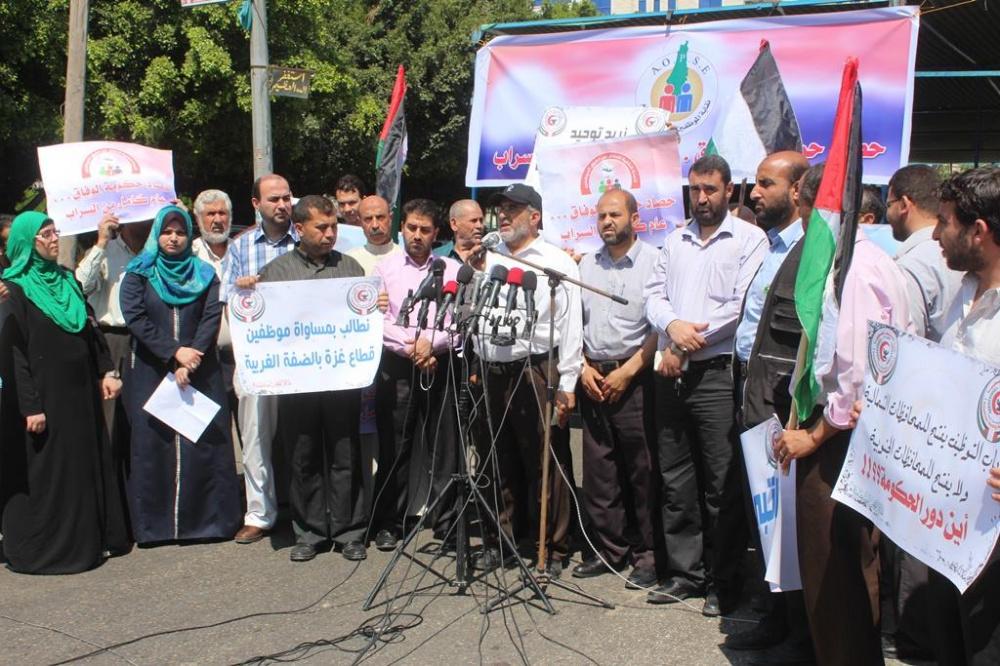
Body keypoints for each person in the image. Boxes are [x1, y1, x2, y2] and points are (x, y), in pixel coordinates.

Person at [774, 170, 912, 665]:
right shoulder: (867, 261)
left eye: (807, 214)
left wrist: (813, 436)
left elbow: (854, 375)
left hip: (840, 440)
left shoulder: (852, 270)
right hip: (856, 434)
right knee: (849, 569)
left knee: (833, 574)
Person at [643, 154, 767, 614]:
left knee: (720, 483)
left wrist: (684, 342)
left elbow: (741, 307)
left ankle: (724, 581)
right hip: (671, 376)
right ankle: (685, 574)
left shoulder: (750, 240)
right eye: (695, 189)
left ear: (729, 191)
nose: (701, 198)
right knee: (676, 478)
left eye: (710, 189)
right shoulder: (674, 240)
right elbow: (653, 296)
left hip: (715, 373)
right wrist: (672, 325)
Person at [0, 211, 129, 573]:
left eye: (55, 232)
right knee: (53, 470)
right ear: (27, 243)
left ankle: (90, 540)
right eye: (45, 235)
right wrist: (31, 406)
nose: (54, 239)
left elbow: (89, 326)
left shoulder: (66, 279)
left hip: (80, 392)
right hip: (45, 397)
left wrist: (106, 370)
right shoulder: (14, 289)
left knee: (83, 464)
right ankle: (54, 549)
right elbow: (14, 356)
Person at [244, 195, 370, 562]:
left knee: (345, 455)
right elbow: (258, 320)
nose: (330, 234)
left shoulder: (350, 268)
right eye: (321, 227)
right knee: (303, 457)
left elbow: (361, 316)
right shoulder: (276, 273)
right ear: (299, 229)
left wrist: (372, 307)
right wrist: (246, 294)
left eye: (333, 227)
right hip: (296, 383)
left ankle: (349, 532)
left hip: (341, 380)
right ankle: (309, 532)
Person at [727, 152, 814, 664]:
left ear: (798, 190)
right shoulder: (772, 246)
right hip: (752, 397)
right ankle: (775, 618)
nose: (754, 193)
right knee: (767, 523)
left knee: (790, 528)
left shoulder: (812, 254)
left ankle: (800, 636)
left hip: (785, 410)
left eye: (766, 183)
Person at [474, 183, 583, 577]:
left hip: (536, 368)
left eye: (513, 209)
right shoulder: (489, 258)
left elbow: (570, 327)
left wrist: (567, 383)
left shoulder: (555, 262)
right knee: (496, 459)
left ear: (534, 217)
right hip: (492, 368)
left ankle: (550, 547)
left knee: (544, 460)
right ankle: (502, 540)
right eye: (500, 209)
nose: (503, 215)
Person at [118, 205, 240, 544]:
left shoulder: (204, 274)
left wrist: (191, 357)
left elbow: (211, 316)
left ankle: (208, 523)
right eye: (167, 232)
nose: (173, 238)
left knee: (203, 442)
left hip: (200, 369)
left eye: (180, 232)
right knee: (153, 444)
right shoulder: (138, 273)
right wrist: (173, 352)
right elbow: (135, 317)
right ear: (157, 235)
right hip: (150, 369)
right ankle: (155, 527)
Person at [928, 166, 1000, 666]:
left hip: (992, 524)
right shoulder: (961, 292)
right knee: (949, 641)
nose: (935, 234)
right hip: (947, 515)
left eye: (945, 222)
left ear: (979, 231)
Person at [571, 188, 658, 590]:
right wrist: (583, 368)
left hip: (636, 377)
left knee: (643, 471)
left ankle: (648, 554)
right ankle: (608, 550)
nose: (607, 222)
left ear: (635, 219)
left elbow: (660, 327)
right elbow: (573, 323)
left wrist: (629, 371)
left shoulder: (655, 263)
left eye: (615, 215)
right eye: (602, 215)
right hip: (593, 376)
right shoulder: (586, 265)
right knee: (600, 472)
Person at [371, 199, 461, 550]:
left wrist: (431, 344)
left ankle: (447, 523)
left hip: (440, 364)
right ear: (402, 229)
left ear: (436, 233)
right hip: (398, 366)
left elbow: (458, 322)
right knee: (396, 447)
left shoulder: (450, 269)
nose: (417, 235)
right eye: (411, 228)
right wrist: (411, 347)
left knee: (445, 447)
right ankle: (389, 523)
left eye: (425, 230)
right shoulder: (384, 269)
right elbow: (377, 319)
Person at [221, 174, 298, 544]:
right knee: (254, 434)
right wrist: (244, 291)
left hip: (305, 355)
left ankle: (306, 510)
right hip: (259, 357)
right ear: (256, 204)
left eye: (286, 198)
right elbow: (227, 301)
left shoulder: (307, 238)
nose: (282, 205)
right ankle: (259, 513)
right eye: (273, 199)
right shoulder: (240, 248)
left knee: (304, 433)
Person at [75, 214, 152, 440]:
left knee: (143, 417)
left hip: (148, 340)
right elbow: (81, 286)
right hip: (113, 339)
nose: (147, 220)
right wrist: (101, 243)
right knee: (109, 417)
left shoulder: (156, 253)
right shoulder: (106, 251)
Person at [887, 165, 963, 342]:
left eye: (889, 204)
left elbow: (906, 343)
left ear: (904, 204)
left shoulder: (909, 266)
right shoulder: (964, 252)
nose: (887, 212)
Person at [191, 190, 238, 429]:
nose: (218, 220)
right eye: (211, 214)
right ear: (198, 218)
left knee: (250, 430)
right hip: (204, 359)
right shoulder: (189, 256)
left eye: (223, 213)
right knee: (212, 431)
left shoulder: (242, 251)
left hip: (240, 358)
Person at [347, 195, 402, 275]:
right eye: (368, 219)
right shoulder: (350, 261)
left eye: (380, 218)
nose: (375, 225)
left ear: (390, 218)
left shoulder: (406, 259)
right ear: (360, 222)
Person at [442, 199, 485, 269]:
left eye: (481, 220)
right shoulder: (438, 256)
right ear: (454, 224)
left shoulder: (491, 256)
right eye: (473, 221)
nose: (479, 226)